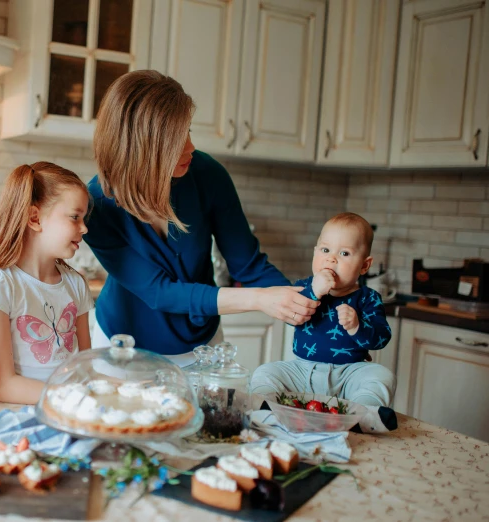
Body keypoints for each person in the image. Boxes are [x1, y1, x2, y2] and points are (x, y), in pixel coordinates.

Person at [85, 70, 318, 364]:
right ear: (142, 146)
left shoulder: (208, 175)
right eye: (176, 139)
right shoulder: (96, 204)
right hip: (122, 346)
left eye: (188, 131)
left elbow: (249, 266)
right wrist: (259, 298)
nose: (190, 147)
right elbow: (159, 292)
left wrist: (304, 303)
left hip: (201, 344)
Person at [0, 162, 94, 405]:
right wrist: (71, 399)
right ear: (35, 218)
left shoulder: (76, 285)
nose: (84, 228)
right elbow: (4, 386)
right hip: (19, 421)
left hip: (72, 416)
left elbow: (84, 369)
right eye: (75, 217)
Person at [251, 212, 396, 408]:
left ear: (364, 265)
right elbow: (290, 317)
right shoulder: (304, 287)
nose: (331, 259)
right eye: (325, 250)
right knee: (266, 372)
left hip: (349, 373)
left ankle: (364, 413)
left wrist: (357, 326)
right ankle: (265, 407)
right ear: (315, 252)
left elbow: (382, 338)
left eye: (344, 253)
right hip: (301, 370)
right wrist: (314, 292)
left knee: (381, 376)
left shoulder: (369, 298)